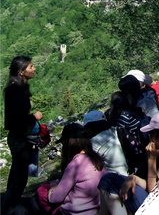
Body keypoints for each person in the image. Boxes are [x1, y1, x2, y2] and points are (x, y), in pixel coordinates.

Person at [98, 110, 159, 215]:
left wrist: (151, 159)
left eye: (151, 134)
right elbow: (155, 183)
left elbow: (154, 193)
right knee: (110, 179)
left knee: (108, 180)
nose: (150, 139)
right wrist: (135, 178)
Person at [12, 123, 107, 215]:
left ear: (70, 142)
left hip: (73, 212)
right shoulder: (96, 158)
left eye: (63, 142)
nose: (63, 146)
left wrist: (53, 185)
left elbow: (54, 199)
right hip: (93, 209)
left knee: (21, 207)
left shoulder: (76, 164)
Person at [2, 56, 43, 215]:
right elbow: (14, 120)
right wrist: (34, 117)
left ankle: (7, 206)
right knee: (19, 181)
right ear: (21, 71)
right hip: (19, 139)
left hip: (21, 138)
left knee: (15, 178)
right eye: (31, 66)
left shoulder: (18, 89)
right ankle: (8, 210)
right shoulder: (14, 91)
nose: (34, 69)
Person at [83, 111, 129, 176]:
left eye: (86, 128)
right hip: (128, 173)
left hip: (115, 179)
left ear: (91, 127)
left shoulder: (94, 142)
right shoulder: (114, 130)